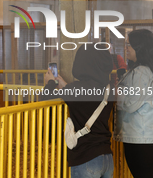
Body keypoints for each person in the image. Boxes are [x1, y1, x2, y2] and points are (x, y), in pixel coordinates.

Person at [44, 44, 114, 178]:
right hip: (107, 158)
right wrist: (64, 85)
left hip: (85, 158)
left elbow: (45, 100)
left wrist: (50, 84)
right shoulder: (109, 89)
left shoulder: (76, 89)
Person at [114, 29, 153, 177]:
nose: (126, 48)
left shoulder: (141, 72)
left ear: (140, 47)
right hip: (143, 135)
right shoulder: (145, 70)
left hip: (139, 137)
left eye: (129, 45)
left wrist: (118, 94)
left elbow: (131, 103)